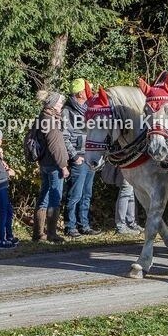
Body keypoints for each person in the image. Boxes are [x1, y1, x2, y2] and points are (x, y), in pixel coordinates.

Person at [62, 79, 98, 237]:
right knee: (75, 193)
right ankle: (70, 226)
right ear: (80, 93)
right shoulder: (67, 111)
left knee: (87, 193)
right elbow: (64, 137)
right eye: (88, 90)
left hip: (91, 156)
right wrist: (75, 156)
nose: (90, 92)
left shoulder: (90, 108)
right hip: (79, 157)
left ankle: (84, 224)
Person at [35, 90, 69, 242]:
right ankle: (51, 233)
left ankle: (38, 233)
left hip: (44, 163)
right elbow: (56, 146)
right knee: (55, 196)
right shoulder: (50, 121)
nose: (62, 105)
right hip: (54, 164)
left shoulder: (42, 117)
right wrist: (63, 165)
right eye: (60, 102)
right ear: (53, 105)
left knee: (44, 195)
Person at [101, 162, 141, 235]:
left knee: (130, 194)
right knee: (126, 192)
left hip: (130, 165)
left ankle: (130, 223)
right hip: (125, 165)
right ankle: (121, 226)